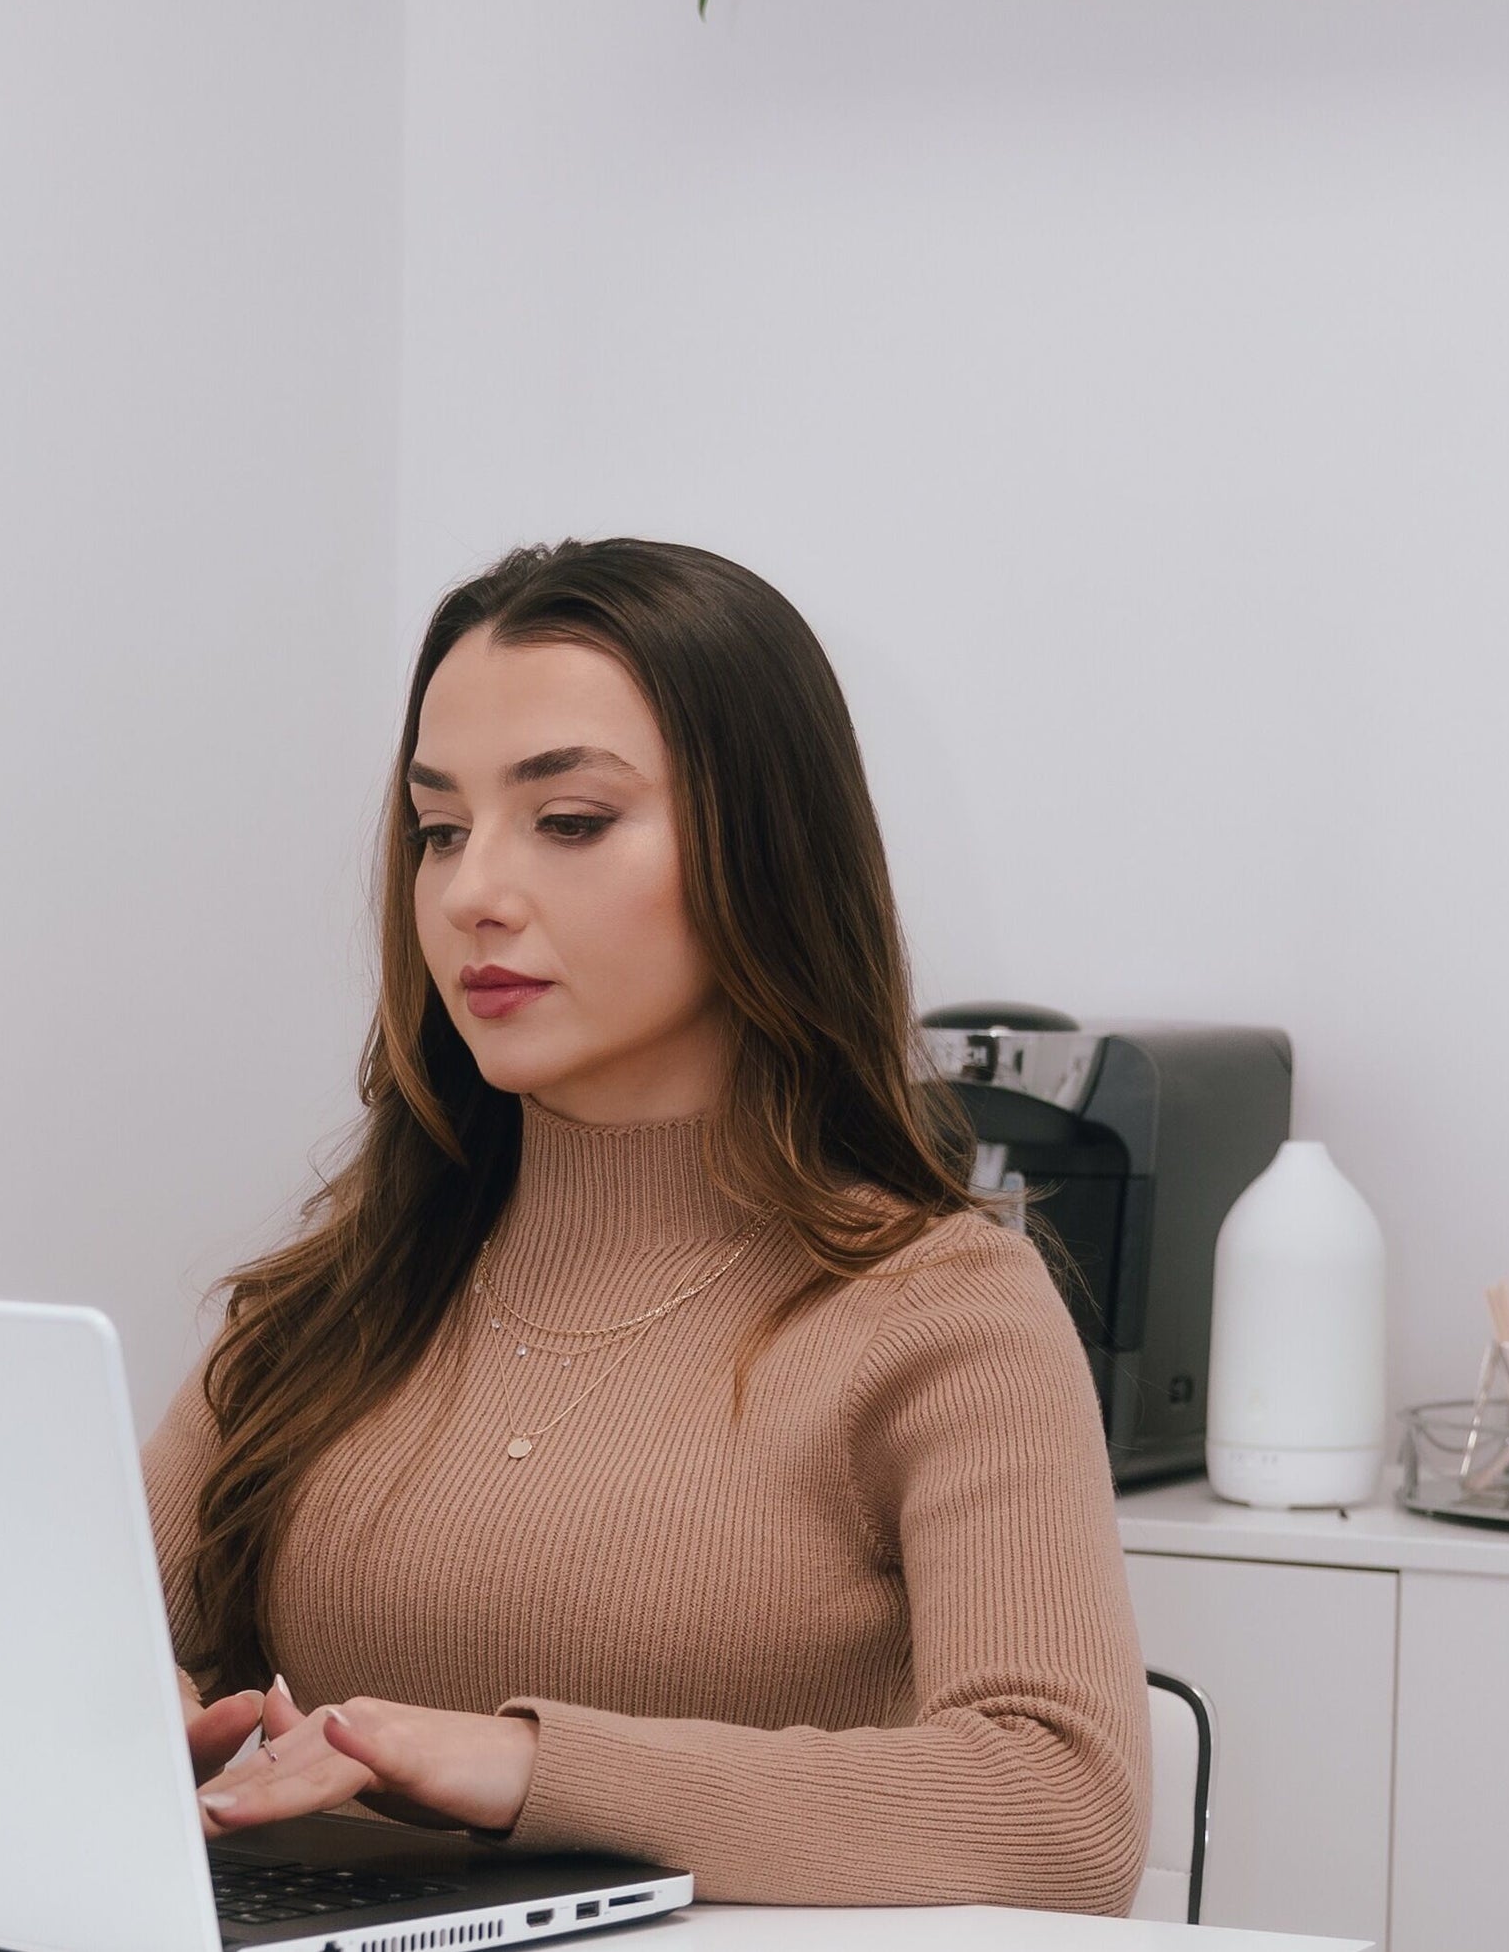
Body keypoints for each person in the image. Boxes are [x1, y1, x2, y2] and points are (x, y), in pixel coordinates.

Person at [140, 540, 1148, 1912]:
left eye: (568, 821)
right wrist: (139, 1718)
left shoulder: (941, 1309)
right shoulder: (342, 1294)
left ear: (765, 854)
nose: (469, 894)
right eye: (441, 829)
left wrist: (525, 1766)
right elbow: (81, 1620)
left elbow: (1060, 1811)